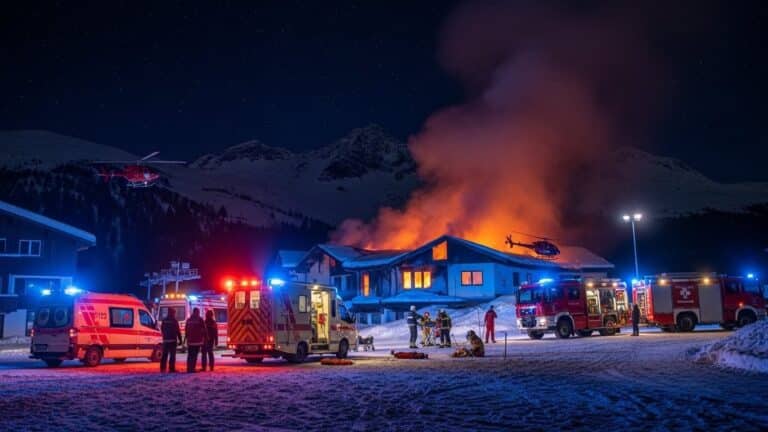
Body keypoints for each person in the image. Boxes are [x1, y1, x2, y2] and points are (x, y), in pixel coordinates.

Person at [160, 307, 183, 373]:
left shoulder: (164, 320)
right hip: (173, 340)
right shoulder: (174, 321)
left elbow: (162, 329)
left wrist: (164, 336)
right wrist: (180, 340)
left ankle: (162, 368)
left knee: (164, 355)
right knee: (172, 356)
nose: (174, 314)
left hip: (166, 340)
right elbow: (178, 331)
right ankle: (171, 368)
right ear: (172, 313)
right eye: (174, 313)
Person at [185, 307, 207, 372]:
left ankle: (189, 368)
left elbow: (186, 329)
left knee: (190, 355)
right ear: (197, 312)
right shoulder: (200, 319)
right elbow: (204, 329)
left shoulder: (189, 320)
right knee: (194, 355)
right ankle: (192, 368)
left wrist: (186, 338)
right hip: (197, 341)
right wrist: (205, 337)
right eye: (198, 312)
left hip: (190, 341)